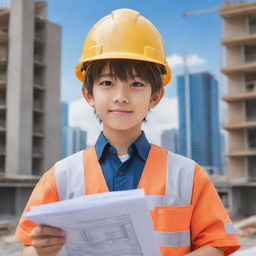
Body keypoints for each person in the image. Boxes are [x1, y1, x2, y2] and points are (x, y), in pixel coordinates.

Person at [16, 8, 240, 256]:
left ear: (155, 96)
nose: (121, 97)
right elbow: (28, 248)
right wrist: (40, 250)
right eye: (107, 83)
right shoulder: (61, 176)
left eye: (136, 84)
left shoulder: (188, 176)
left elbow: (218, 244)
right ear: (89, 94)